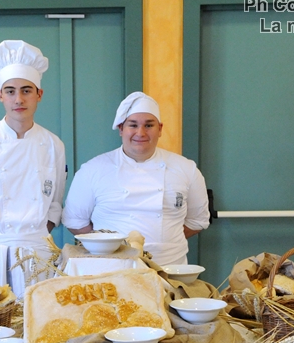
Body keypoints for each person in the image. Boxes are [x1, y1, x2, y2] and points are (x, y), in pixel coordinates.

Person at [0, 40, 67, 296]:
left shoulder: (54, 145)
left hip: (38, 251)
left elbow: (54, 204)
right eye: (10, 91)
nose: (18, 99)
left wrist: (34, 236)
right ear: (0, 95)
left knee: (38, 314)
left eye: (26, 90)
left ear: (39, 94)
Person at [61, 92, 209, 266]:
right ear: (121, 129)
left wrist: (165, 242)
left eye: (149, 125)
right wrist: (110, 247)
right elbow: (75, 221)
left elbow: (197, 221)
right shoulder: (93, 169)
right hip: (110, 269)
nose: (141, 132)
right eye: (133, 125)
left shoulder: (186, 169)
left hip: (169, 268)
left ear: (160, 129)